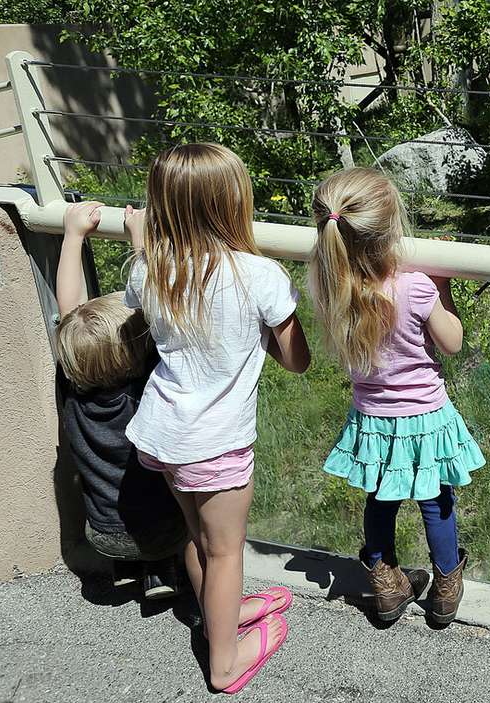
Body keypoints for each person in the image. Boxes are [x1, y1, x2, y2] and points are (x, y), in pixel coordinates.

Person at [123, 143, 311, 694]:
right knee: (227, 549)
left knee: (198, 534)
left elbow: (142, 287)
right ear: (233, 203)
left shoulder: (151, 271)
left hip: (162, 433)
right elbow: (298, 361)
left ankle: (217, 618)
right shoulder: (260, 274)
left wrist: (140, 244)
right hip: (216, 442)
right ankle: (225, 662)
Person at [309, 167, 485, 626]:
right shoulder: (416, 286)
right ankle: (445, 586)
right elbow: (452, 343)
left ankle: (386, 583)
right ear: (391, 230)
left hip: (372, 418)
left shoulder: (332, 289)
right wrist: (442, 286)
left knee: (379, 500)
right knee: (436, 500)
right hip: (425, 415)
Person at [55, 201, 187, 601]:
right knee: (164, 509)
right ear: (137, 353)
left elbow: (70, 313)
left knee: (127, 503)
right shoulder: (146, 388)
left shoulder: (73, 387)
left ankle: (129, 570)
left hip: (101, 534)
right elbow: (155, 311)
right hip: (162, 532)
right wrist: (141, 240)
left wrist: (73, 235)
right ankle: (159, 570)